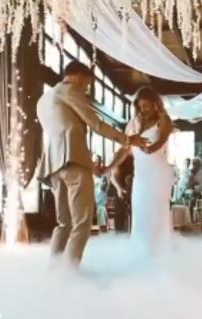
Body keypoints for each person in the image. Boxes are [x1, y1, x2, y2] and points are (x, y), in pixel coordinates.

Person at [36, 59, 148, 268]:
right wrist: (127, 139)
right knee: (82, 223)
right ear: (78, 77)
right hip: (73, 164)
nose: (86, 89)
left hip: (53, 164)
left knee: (64, 223)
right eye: (87, 84)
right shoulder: (70, 90)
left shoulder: (43, 100)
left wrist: (89, 163)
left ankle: (54, 271)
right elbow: (96, 124)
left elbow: (65, 132)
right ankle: (69, 272)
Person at [109, 86, 174, 256]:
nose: (142, 110)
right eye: (139, 106)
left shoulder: (164, 119)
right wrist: (109, 168)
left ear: (155, 104)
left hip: (159, 174)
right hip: (141, 176)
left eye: (146, 106)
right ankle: (141, 253)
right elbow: (125, 149)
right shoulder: (133, 124)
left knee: (156, 214)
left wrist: (149, 148)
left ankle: (160, 252)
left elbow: (161, 140)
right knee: (140, 213)